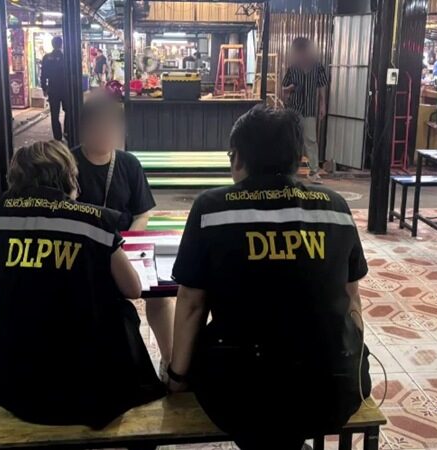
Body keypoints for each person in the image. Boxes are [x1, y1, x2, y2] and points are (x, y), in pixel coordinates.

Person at [167, 105, 371, 450]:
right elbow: (352, 299)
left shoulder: (212, 209)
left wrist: (176, 377)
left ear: (238, 158)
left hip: (240, 397)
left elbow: (191, 304)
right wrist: (349, 363)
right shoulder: (335, 207)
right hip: (332, 392)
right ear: (298, 158)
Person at [0, 140, 165, 433]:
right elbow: (132, 289)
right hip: (87, 387)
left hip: (16, 382)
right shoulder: (94, 221)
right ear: (68, 176)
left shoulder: (2, 213)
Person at [73, 95, 176, 372]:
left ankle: (169, 359)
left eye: (113, 127)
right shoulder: (68, 164)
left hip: (124, 250)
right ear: (85, 129)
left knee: (159, 294)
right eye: (100, 126)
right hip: (83, 253)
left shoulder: (128, 163)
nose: (107, 133)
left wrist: (126, 243)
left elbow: (143, 213)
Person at [282, 37, 328, 181]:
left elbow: (322, 86)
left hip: (309, 109)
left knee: (310, 140)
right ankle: (290, 170)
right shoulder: (292, 69)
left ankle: (313, 171)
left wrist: (322, 104)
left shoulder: (318, 67)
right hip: (294, 109)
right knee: (293, 140)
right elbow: (284, 88)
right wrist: (289, 89)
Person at [40, 36, 68, 141]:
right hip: (65, 89)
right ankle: (67, 132)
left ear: (52, 44)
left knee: (54, 114)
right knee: (68, 111)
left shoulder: (46, 58)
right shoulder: (66, 57)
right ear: (61, 45)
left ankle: (57, 137)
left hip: (53, 88)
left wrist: (44, 88)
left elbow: (43, 74)